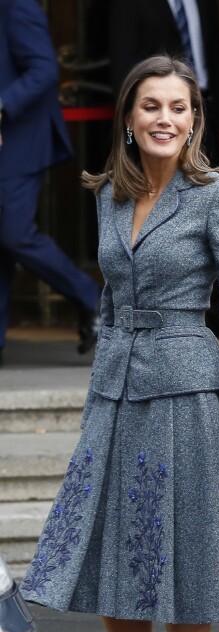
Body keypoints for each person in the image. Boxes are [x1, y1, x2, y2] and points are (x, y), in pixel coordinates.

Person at [20, 55, 219, 632]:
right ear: (128, 117)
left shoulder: (217, 197)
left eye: (180, 107)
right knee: (105, 566)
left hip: (187, 397)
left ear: (195, 118)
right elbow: (108, 299)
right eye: (152, 106)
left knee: (183, 574)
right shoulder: (107, 196)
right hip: (115, 396)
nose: (166, 119)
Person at [0, 0, 100, 365]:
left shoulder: (16, 5)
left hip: (19, 142)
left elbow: (44, 68)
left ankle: (91, 298)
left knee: (13, 233)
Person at [108, 0, 219, 163]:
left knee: (205, 175)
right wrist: (130, 116)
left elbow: (217, 57)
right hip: (154, 108)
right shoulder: (128, 4)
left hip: (206, 106)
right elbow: (122, 62)